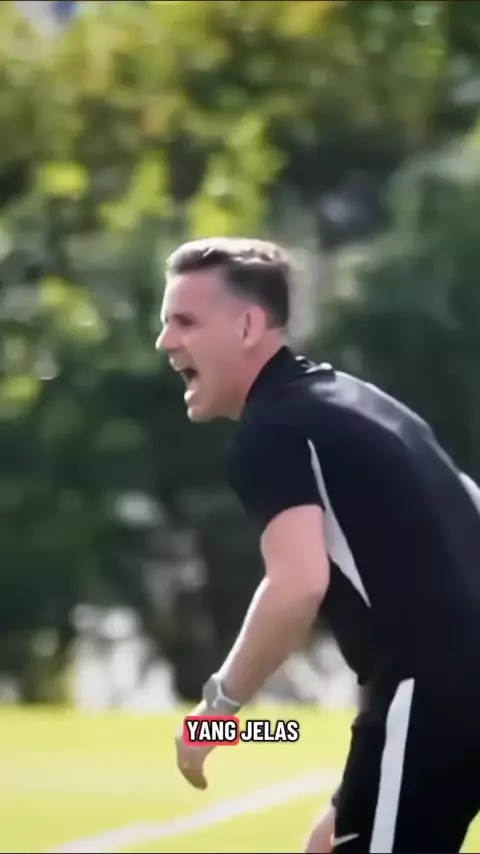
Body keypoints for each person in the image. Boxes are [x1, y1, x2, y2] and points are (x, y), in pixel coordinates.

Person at [156, 236, 480, 853]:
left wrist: (216, 711)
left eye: (185, 321)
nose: (165, 341)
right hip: (439, 690)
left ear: (248, 326)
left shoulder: (272, 427)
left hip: (434, 694)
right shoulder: (359, 399)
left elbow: (297, 585)